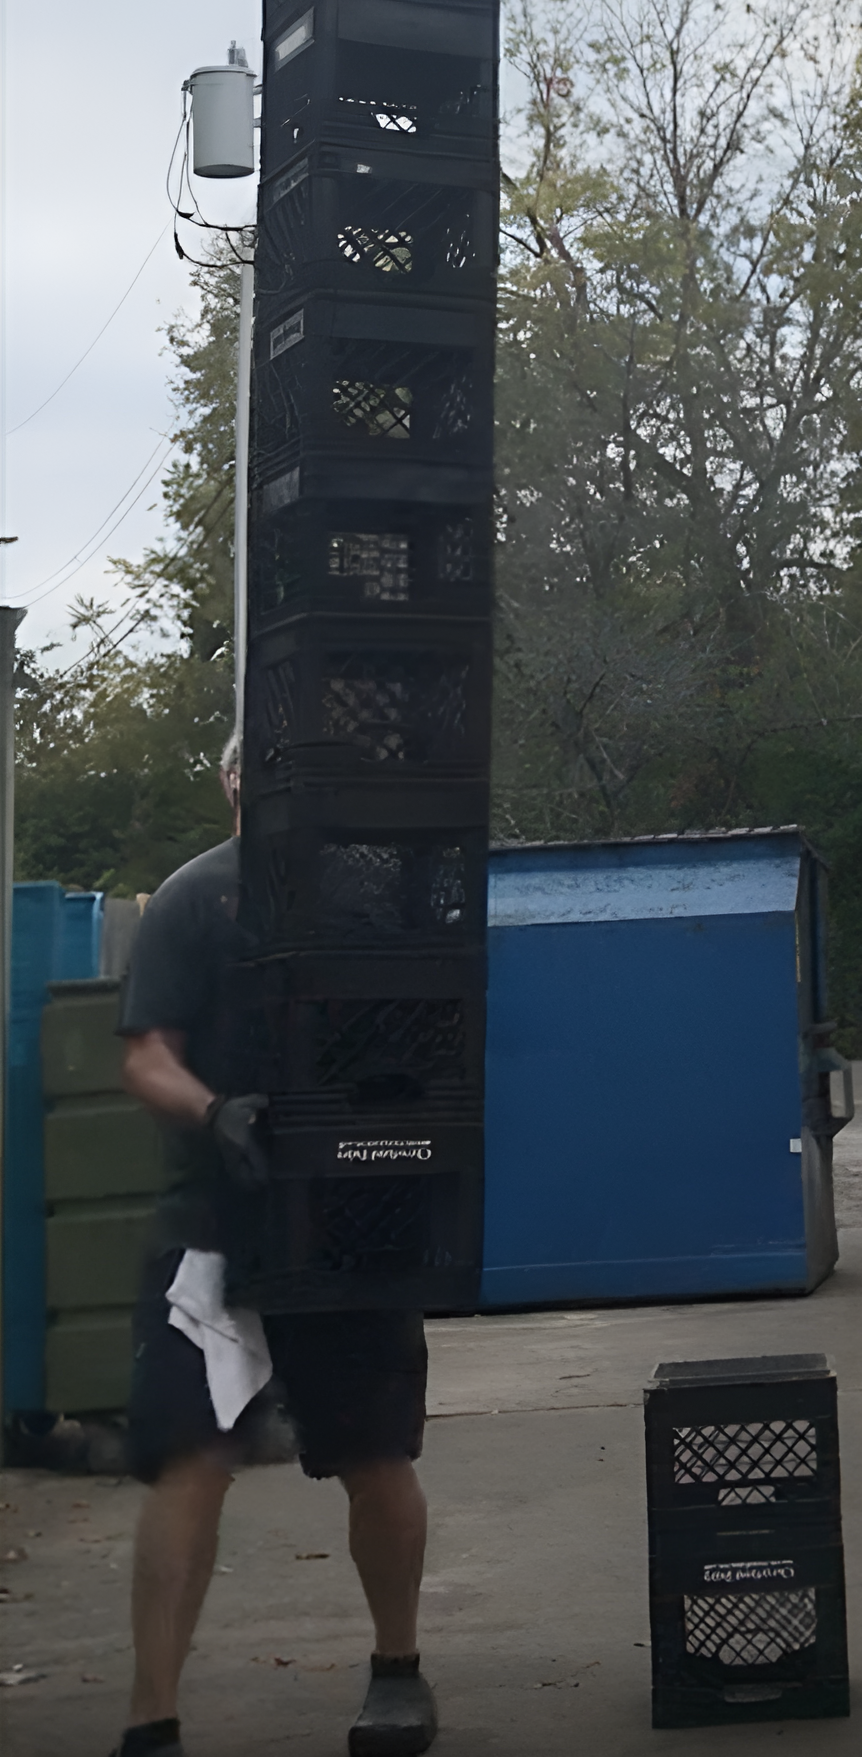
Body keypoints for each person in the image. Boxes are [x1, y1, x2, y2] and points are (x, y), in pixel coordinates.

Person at [116, 731, 437, 1757]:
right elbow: (147, 1056)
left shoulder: (376, 897)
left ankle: (397, 1673)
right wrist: (215, 1114)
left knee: (372, 1452)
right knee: (191, 1459)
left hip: (350, 1221)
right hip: (212, 1224)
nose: (266, 775)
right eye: (247, 758)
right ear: (226, 779)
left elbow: (431, 1033)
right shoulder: (189, 899)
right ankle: (150, 1720)